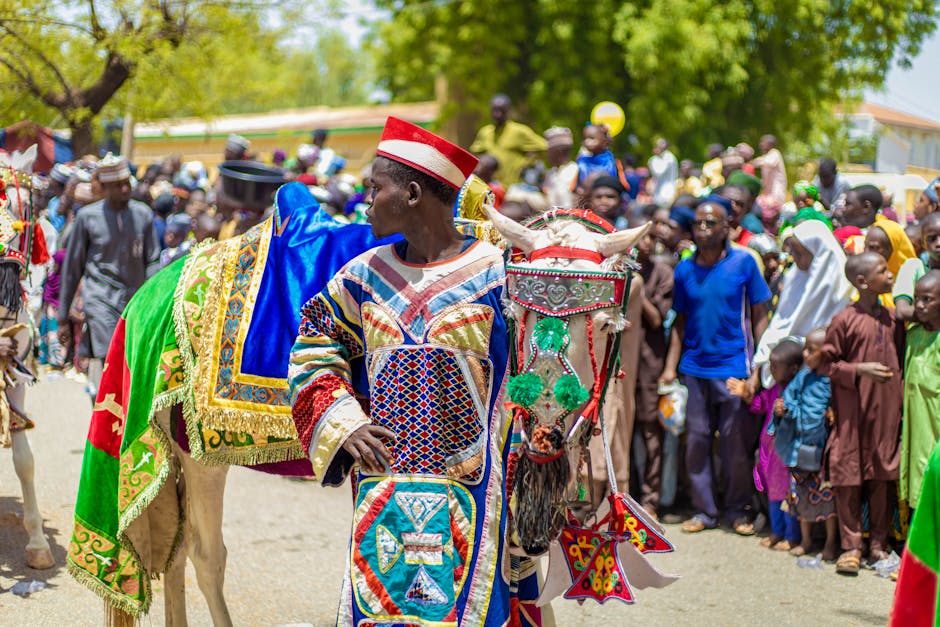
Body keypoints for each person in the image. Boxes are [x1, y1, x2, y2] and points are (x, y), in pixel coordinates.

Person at [289, 117, 539, 625]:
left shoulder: (500, 275)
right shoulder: (362, 277)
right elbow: (313, 346)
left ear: (412, 192)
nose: (365, 201)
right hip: (385, 488)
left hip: (473, 491)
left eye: (373, 188)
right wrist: (343, 421)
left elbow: (540, 370)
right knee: (382, 607)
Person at [659, 199, 772, 534]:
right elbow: (679, 322)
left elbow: (760, 315)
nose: (703, 229)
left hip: (734, 366)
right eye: (698, 223)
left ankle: (738, 510)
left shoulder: (744, 264)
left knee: (735, 444)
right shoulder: (684, 270)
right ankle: (704, 511)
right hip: (694, 368)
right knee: (696, 441)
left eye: (711, 223)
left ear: (727, 227)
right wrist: (670, 367)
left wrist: (758, 366)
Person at [820, 252, 904, 575]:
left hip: (884, 415)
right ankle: (851, 547)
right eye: (883, 271)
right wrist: (859, 369)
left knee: (882, 477)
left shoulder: (892, 319)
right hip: (852, 413)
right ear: (862, 281)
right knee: (848, 477)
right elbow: (826, 363)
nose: (890, 275)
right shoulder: (844, 320)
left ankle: (878, 545)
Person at [57, 154, 160, 400]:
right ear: (104, 188)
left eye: (127, 182)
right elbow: (73, 269)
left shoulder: (143, 215)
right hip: (99, 299)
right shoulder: (87, 217)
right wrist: (62, 317)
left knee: (134, 359)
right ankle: (107, 414)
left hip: (136, 300)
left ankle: (122, 413)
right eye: (118, 185)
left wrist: (153, 297)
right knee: (111, 358)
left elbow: (153, 259)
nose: (125, 189)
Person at [752, 220, 853, 388]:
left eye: (799, 253)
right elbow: (780, 323)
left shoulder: (841, 287)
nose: (794, 258)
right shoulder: (794, 278)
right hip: (784, 367)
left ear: (817, 252)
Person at [727, 339, 801, 552]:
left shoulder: (796, 392)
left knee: (789, 496)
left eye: (776, 367)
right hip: (770, 456)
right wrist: (747, 395)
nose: (772, 370)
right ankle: (776, 531)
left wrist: (787, 410)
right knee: (773, 494)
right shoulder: (773, 390)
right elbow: (759, 405)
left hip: (787, 456)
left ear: (793, 369)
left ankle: (791, 535)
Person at [775, 329, 838, 560]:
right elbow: (789, 400)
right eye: (806, 348)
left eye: (811, 350)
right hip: (800, 447)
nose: (805, 354)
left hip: (823, 451)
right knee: (800, 495)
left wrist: (834, 414)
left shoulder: (832, 379)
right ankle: (806, 540)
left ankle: (831, 542)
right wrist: (782, 409)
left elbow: (840, 405)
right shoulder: (802, 377)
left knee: (828, 498)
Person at [629, 215, 674, 518]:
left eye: (649, 237)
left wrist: (637, 286)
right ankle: (624, 494)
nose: (644, 243)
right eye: (639, 237)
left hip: (648, 362)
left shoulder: (661, 273)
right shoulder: (615, 271)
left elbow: (657, 318)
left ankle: (650, 499)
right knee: (622, 429)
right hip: (622, 364)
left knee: (650, 431)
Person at [900, 270, 940, 511]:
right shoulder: (914, 335)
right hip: (917, 428)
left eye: (928, 299)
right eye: (917, 299)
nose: (921, 306)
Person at [470, 94, 546, 186]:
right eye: (495, 110)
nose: (497, 114)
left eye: (501, 111)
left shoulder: (519, 131)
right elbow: (474, 155)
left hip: (512, 189)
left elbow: (544, 147)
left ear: (508, 111)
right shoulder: (485, 132)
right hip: (489, 188)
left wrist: (528, 163)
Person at [895, 212, 940, 322]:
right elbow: (901, 311)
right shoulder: (913, 267)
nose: (938, 243)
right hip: (922, 338)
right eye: (931, 239)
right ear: (923, 244)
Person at [575, 124, 627, 192]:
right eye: (585, 138)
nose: (587, 142)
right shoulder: (581, 162)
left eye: (592, 138)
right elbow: (575, 186)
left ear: (604, 140)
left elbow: (623, 185)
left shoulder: (613, 163)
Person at [542, 126, 578, 208]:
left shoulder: (575, 169)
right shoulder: (550, 173)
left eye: (549, 151)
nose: (547, 155)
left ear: (558, 151)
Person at [648, 138, 678, 208]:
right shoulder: (663, 157)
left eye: (660, 144)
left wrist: (652, 160)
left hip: (665, 194)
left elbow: (658, 172)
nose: (657, 146)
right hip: (661, 194)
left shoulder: (668, 157)